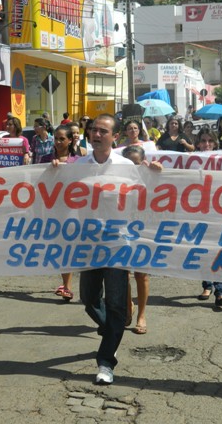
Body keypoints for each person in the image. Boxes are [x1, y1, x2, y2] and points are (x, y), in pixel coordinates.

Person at [75, 114, 134, 385]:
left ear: (115, 137)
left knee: (115, 303)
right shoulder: (77, 166)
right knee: (88, 298)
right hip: (87, 243)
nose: (96, 134)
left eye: (103, 131)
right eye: (93, 130)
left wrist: (156, 173)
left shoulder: (127, 166)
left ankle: (106, 361)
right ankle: (112, 326)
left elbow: (148, 196)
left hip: (117, 243)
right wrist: (53, 168)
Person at [120, 144, 162, 335]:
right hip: (121, 227)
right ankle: (128, 306)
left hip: (144, 228)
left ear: (143, 162)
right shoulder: (117, 177)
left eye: (136, 163)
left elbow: (165, 187)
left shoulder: (149, 176)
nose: (133, 168)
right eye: (129, 164)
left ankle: (141, 316)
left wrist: (157, 171)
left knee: (141, 274)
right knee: (123, 274)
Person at [192, 128, 222, 306]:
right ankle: (207, 285)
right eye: (203, 141)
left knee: (218, 250)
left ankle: (220, 291)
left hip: (218, 212)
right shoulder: (190, 161)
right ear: (198, 143)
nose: (206, 144)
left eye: (210, 141)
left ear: (215, 143)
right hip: (198, 211)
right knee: (203, 250)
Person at [51, 125, 79, 301]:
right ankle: (67, 285)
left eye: (62, 139)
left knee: (73, 247)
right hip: (54, 208)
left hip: (75, 209)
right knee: (62, 247)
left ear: (70, 140)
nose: (59, 142)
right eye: (56, 138)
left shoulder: (79, 161)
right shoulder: (46, 159)